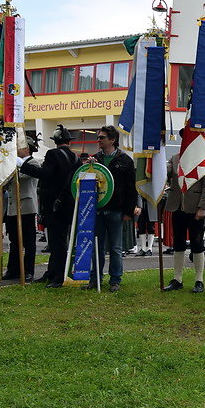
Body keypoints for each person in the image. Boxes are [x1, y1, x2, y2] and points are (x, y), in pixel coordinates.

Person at [19, 124, 79, 287]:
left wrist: (23, 165)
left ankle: (58, 277)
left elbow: (45, 174)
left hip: (54, 205)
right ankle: (52, 272)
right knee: (60, 241)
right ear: (68, 141)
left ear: (56, 141)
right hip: (69, 205)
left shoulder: (53, 154)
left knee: (57, 243)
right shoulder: (76, 157)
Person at [84, 125, 138, 292]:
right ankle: (95, 279)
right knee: (96, 247)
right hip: (98, 209)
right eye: (98, 137)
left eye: (102, 138)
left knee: (115, 247)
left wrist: (129, 211)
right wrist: (89, 167)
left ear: (112, 140)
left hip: (116, 210)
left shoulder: (126, 160)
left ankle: (115, 280)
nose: (98, 140)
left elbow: (131, 188)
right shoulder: (96, 159)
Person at [162, 141, 205, 294]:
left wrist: (203, 207)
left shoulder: (203, 158)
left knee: (197, 243)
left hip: (195, 207)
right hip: (177, 206)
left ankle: (199, 280)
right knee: (178, 243)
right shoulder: (175, 158)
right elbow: (166, 174)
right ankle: (177, 279)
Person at [5, 134, 40, 282]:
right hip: (13, 207)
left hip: (26, 207)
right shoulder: (14, 164)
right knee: (14, 240)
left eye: (19, 147)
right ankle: (13, 269)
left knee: (29, 241)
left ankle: (28, 271)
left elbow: (23, 177)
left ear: (27, 149)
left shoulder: (34, 164)